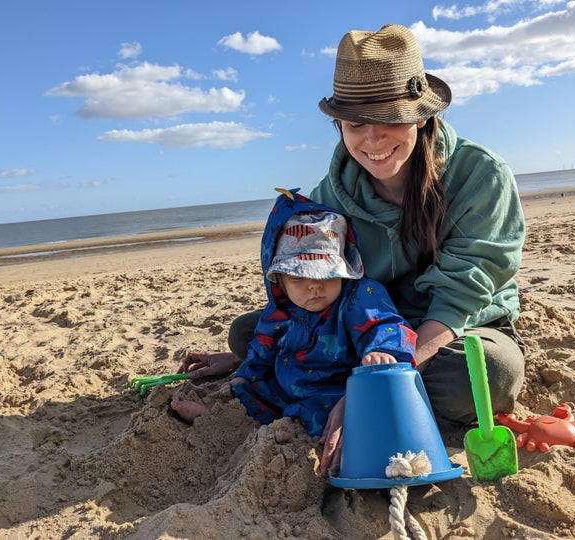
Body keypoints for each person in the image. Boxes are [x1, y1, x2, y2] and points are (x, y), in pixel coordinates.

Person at [179, 24, 526, 476]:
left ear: (421, 116)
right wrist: (256, 359)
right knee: (248, 333)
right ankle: (318, 383)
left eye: (389, 118)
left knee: (488, 373)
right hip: (362, 329)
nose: (373, 140)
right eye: (356, 123)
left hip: (453, 329)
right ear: (338, 124)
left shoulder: (481, 175)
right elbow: (317, 288)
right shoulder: (330, 197)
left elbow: (461, 295)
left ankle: (352, 393)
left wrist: (372, 389)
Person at [172, 188, 417, 437]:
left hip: (333, 391)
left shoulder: (358, 297)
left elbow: (385, 324)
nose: (314, 285)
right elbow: (261, 348)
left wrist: (381, 350)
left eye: (326, 273)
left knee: (320, 416)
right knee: (246, 393)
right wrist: (245, 376)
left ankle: (286, 432)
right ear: (278, 280)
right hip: (284, 386)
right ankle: (216, 418)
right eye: (299, 277)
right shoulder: (281, 308)